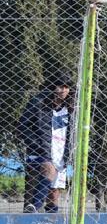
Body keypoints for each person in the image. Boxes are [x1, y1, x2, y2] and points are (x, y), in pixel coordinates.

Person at [17, 71, 74, 213]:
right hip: (40, 152)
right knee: (49, 169)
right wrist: (36, 145)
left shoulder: (71, 109)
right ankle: (33, 208)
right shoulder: (38, 103)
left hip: (60, 154)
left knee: (54, 193)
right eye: (60, 86)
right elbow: (22, 126)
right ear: (52, 87)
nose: (63, 90)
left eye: (66, 87)